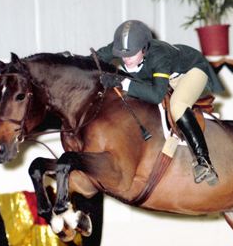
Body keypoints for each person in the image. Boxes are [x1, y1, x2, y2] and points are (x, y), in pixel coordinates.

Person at [96, 20, 224, 186]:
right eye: (122, 54)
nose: (126, 59)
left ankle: (203, 161)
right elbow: (93, 60)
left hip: (191, 70)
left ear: (144, 48)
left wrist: (123, 82)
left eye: (132, 54)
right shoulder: (121, 47)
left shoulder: (159, 55)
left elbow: (157, 95)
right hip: (167, 76)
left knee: (177, 105)